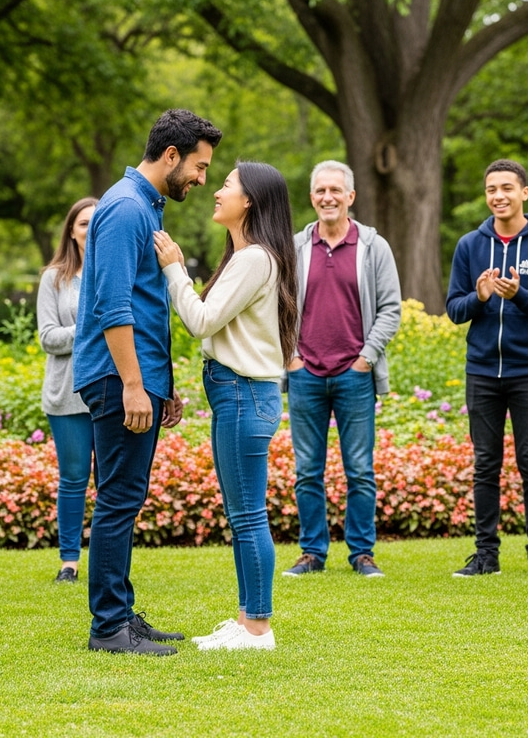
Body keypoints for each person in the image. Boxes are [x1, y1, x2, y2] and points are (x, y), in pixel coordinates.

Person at [73, 108, 222, 654]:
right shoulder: (125, 208)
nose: (202, 179)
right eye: (200, 167)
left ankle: (121, 614)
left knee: (125, 498)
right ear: (171, 156)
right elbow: (113, 308)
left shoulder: (145, 206)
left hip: (136, 377)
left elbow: (144, 302)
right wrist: (135, 386)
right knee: (118, 499)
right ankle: (108, 628)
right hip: (117, 380)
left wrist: (162, 383)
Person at [154, 161, 298, 650]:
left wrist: (173, 267)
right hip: (235, 393)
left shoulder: (255, 258)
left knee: (249, 516)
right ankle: (246, 620)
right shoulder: (247, 256)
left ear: (250, 200)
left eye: (226, 185)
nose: (216, 191)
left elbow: (201, 321)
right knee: (242, 515)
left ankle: (258, 627)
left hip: (242, 392)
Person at [282, 160, 401, 578]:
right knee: (307, 470)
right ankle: (312, 553)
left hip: (354, 374)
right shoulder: (295, 247)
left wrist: (366, 358)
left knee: (360, 470)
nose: (328, 197)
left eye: (336, 190)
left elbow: (390, 309)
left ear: (350, 196)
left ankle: (362, 554)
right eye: (320, 191)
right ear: (312, 197)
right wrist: (291, 357)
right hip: (305, 374)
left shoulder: (373, 247)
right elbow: (278, 308)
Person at [446, 159, 528, 580]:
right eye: (492, 188)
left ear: (524, 193)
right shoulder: (469, 245)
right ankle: (485, 555)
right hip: (481, 373)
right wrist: (478, 297)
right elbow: (454, 310)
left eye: (507, 188)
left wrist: (519, 297)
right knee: (485, 465)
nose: (499, 195)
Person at [37, 197, 97, 584]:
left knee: (111, 482)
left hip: (112, 391)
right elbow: (48, 338)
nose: (90, 231)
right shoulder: (53, 278)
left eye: (96, 223)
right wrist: (90, 327)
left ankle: (111, 559)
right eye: (83, 224)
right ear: (71, 231)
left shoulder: (118, 270)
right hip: (67, 394)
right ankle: (69, 562)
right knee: (74, 478)